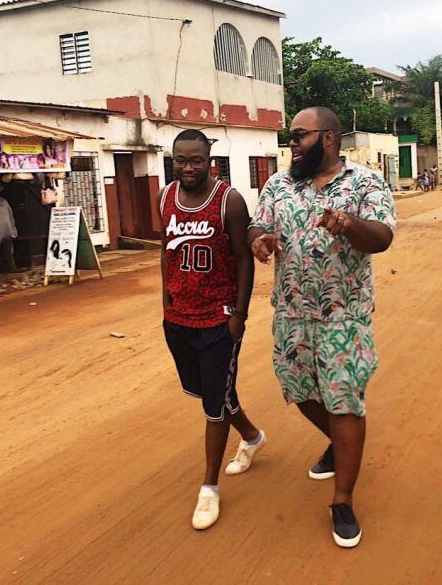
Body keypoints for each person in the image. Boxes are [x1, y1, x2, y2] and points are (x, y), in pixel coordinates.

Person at [249, 106, 395, 548]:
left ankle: (343, 499)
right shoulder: (279, 184)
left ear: (328, 138)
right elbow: (260, 221)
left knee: (344, 400)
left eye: (299, 136)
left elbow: (383, 237)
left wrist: (349, 224)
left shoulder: (365, 182)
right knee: (298, 391)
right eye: (290, 136)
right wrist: (259, 237)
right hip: (291, 313)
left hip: (343, 316)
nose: (291, 144)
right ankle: (339, 442)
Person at [159, 129, 266, 531]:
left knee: (213, 405)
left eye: (196, 160)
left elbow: (243, 260)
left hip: (218, 318)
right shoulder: (164, 197)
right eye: (180, 160)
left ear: (210, 160)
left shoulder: (229, 201)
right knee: (212, 391)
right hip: (179, 319)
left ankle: (209, 487)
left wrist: (238, 312)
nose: (188, 168)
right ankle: (253, 436)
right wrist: (165, 302)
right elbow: (164, 251)